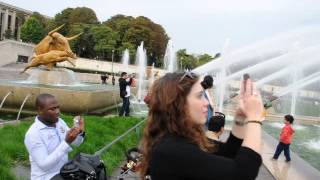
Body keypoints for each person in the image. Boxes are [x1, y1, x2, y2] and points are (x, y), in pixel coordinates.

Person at [140, 72, 264, 180]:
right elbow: (242, 174)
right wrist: (254, 119)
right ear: (178, 104)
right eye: (200, 96)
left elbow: (229, 152)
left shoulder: (183, 138)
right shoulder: (171, 150)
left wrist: (240, 119)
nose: (206, 103)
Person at [24, 94, 85, 180]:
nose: (57, 112)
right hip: (46, 177)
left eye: (58, 107)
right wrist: (66, 142)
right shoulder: (33, 134)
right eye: (52, 109)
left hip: (64, 171)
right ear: (40, 110)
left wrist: (80, 131)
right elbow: (44, 165)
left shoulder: (59, 122)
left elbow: (77, 143)